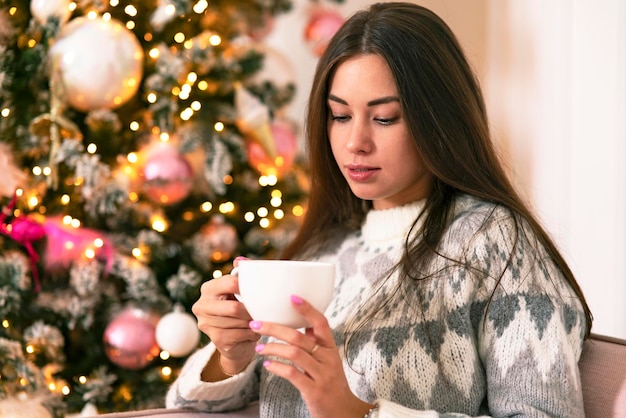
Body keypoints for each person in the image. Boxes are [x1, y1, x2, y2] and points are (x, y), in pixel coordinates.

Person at [166, 2, 592, 417]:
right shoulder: (326, 249)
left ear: (439, 119)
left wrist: (365, 414)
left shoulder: (495, 241)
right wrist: (229, 356)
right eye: (339, 115)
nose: (355, 143)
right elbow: (193, 406)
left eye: (384, 118)